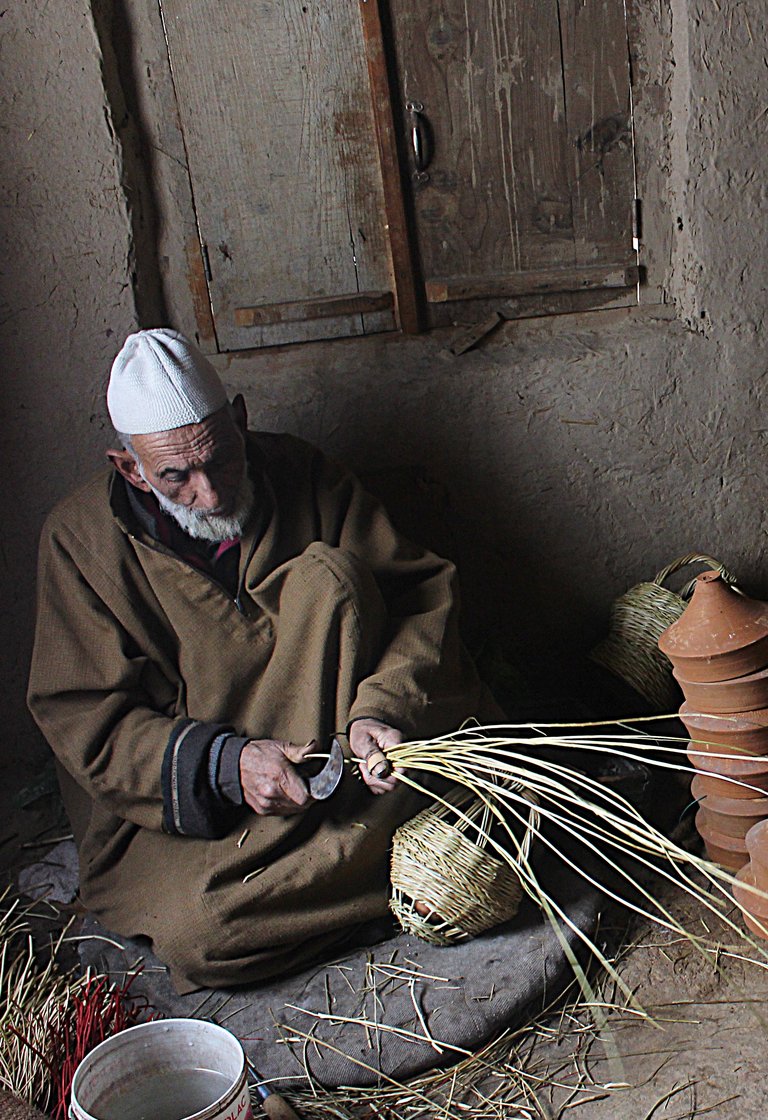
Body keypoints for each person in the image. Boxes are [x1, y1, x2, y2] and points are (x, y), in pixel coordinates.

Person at [28, 329, 494, 990]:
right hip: (204, 815)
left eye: (220, 458)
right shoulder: (79, 543)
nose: (211, 493)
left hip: (339, 760)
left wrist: (380, 709)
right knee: (207, 933)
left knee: (328, 579)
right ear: (130, 468)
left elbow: (419, 596)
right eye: (175, 477)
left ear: (241, 421)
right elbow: (83, 717)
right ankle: (392, 873)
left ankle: (339, 878)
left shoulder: (303, 474)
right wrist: (225, 765)